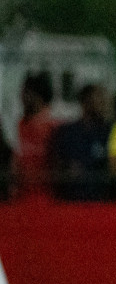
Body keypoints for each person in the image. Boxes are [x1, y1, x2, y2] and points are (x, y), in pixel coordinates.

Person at [50, 83, 114, 202]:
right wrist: (67, 169)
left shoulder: (110, 132)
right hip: (71, 200)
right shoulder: (67, 132)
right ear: (85, 101)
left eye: (104, 99)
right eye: (99, 98)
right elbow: (56, 162)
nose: (103, 103)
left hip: (101, 203)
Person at [14, 72, 56, 202]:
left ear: (39, 96)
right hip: (21, 196)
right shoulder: (21, 124)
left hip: (46, 198)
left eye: (27, 93)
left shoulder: (53, 126)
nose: (22, 97)